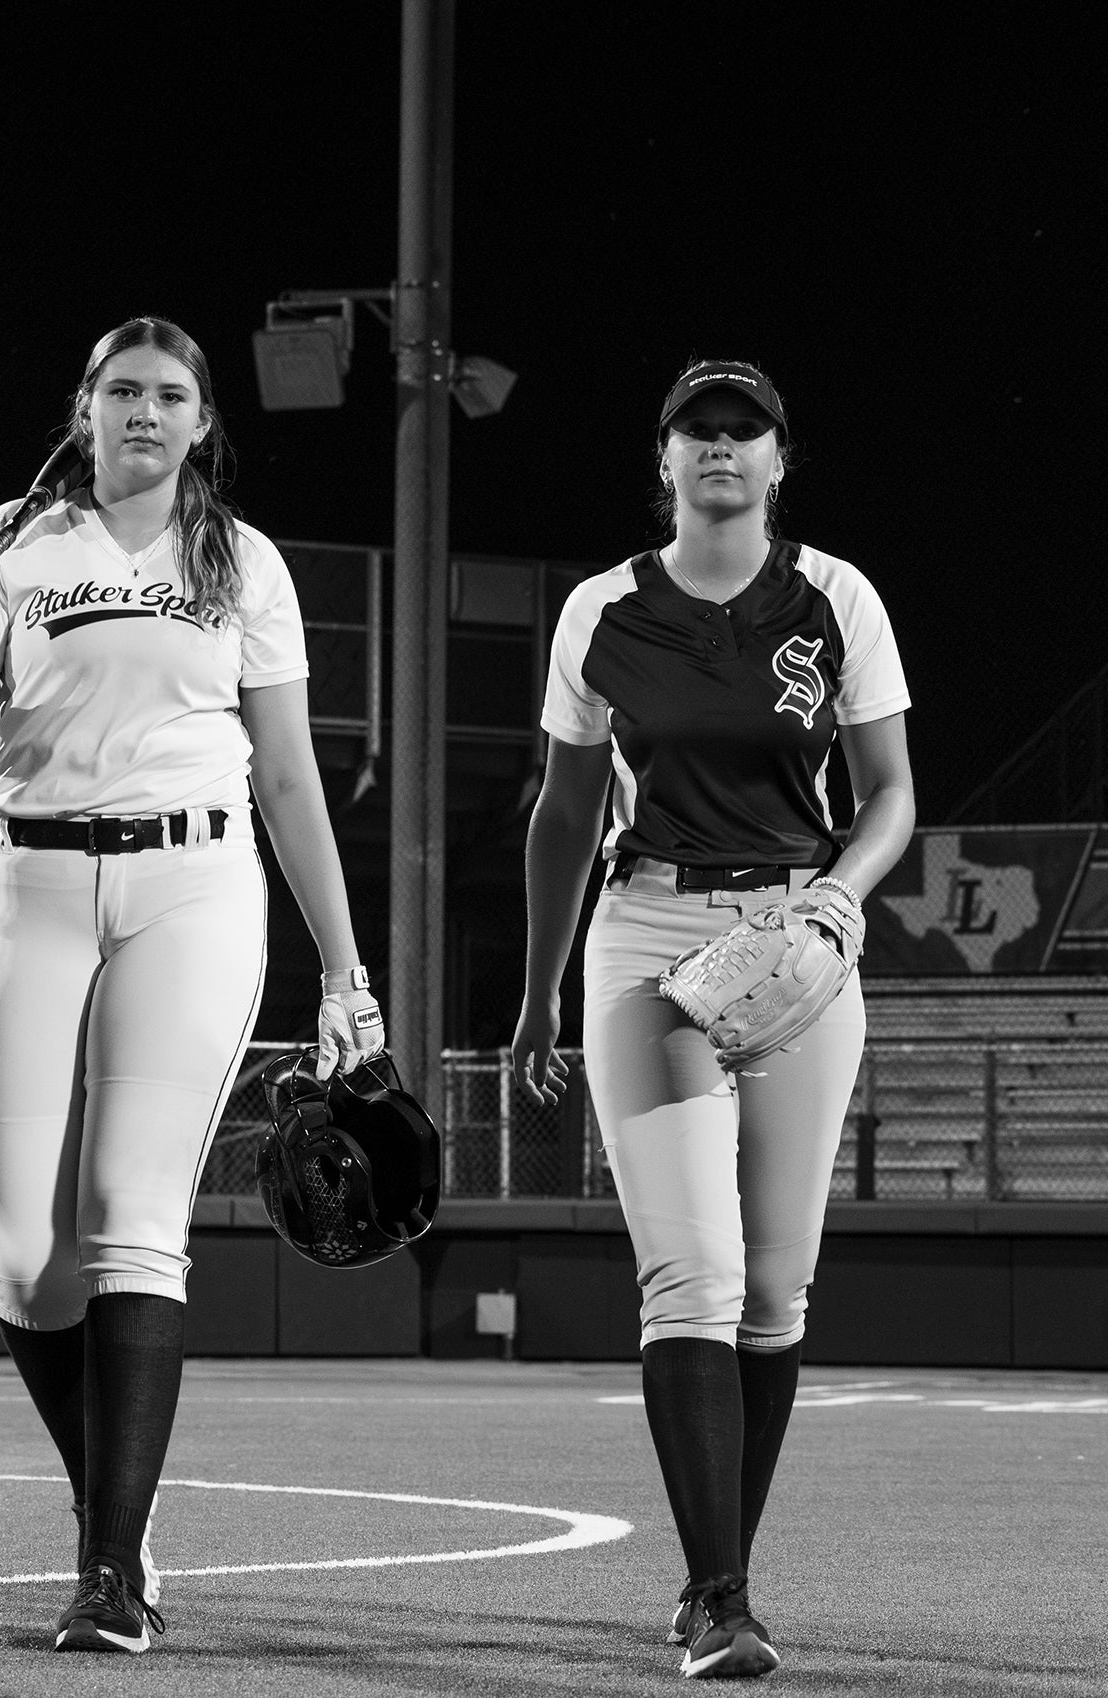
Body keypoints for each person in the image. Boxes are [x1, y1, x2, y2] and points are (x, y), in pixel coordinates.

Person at [0, 316, 385, 1655]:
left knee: (129, 1214)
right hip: (32, 881)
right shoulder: (14, 541)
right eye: (123, 390)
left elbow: (290, 776)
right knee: (24, 1260)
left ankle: (112, 1568)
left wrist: (345, 967)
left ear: (202, 422)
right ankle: (107, 1501)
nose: (146, 412)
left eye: (171, 394)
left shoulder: (243, 560)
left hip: (192, 884)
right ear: (86, 407)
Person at [512, 360, 915, 1679]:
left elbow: (892, 792)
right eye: (701, 429)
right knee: (693, 1273)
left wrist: (843, 896)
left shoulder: (836, 596)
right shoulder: (603, 609)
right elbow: (566, 810)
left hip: (797, 933)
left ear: (780, 459)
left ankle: (722, 1570)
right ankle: (718, 1596)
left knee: (776, 1290)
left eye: (746, 430)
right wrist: (537, 993)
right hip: (647, 937)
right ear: (666, 458)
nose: (723, 445)